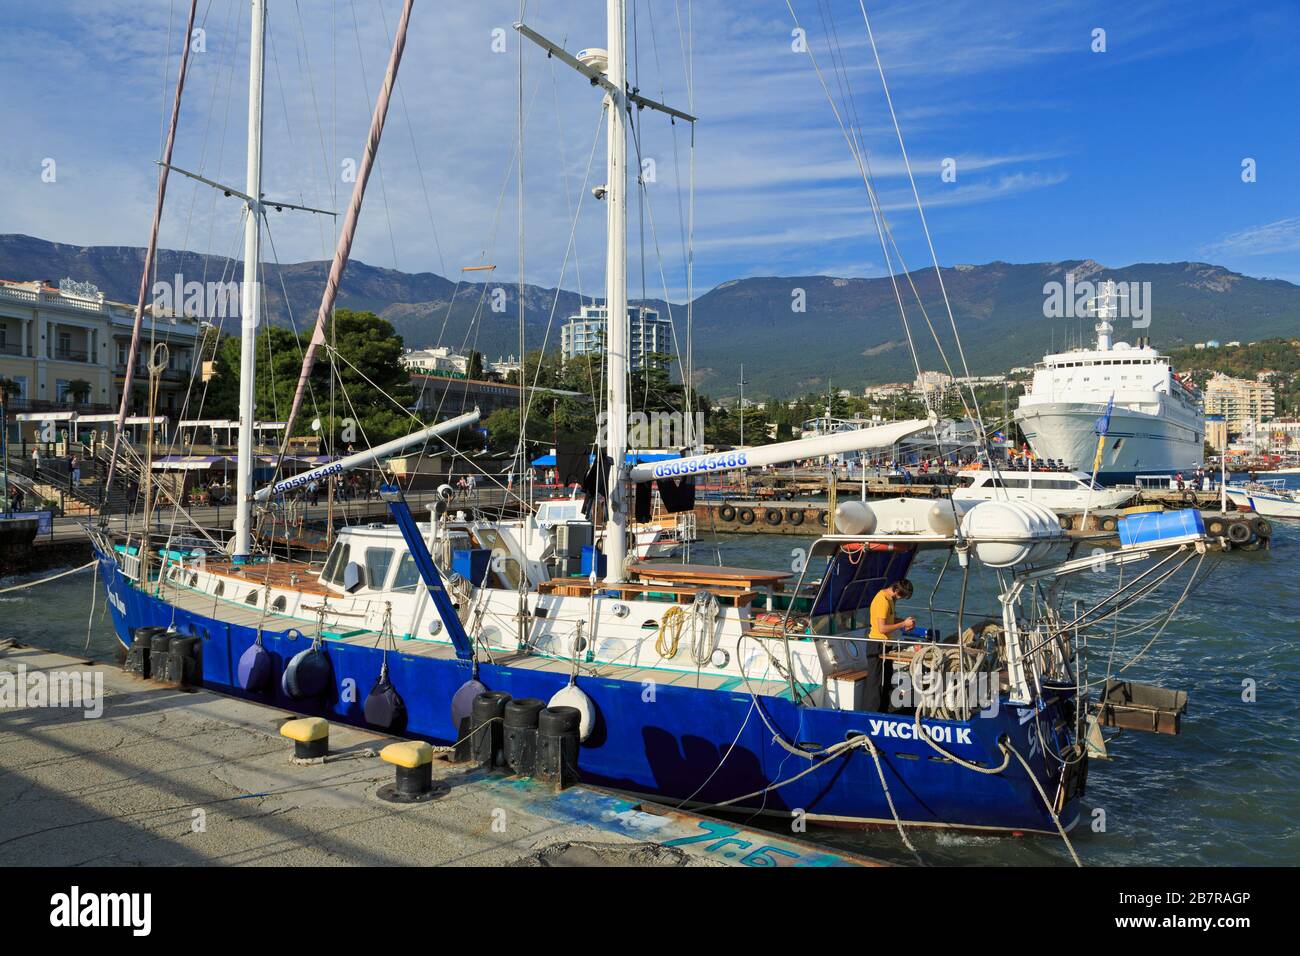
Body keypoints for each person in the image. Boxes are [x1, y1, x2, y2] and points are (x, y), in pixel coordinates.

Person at [866, 578, 915, 712]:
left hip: (885, 645)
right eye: (901, 596)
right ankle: (871, 713)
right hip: (877, 644)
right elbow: (882, 628)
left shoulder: (889, 599)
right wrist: (903, 624)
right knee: (876, 684)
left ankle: (885, 710)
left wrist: (904, 623)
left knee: (886, 681)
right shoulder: (883, 601)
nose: (900, 599)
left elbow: (890, 620)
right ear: (897, 590)